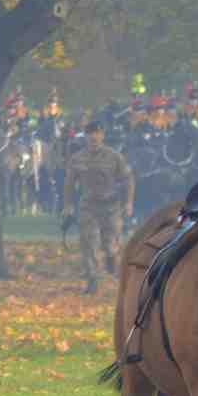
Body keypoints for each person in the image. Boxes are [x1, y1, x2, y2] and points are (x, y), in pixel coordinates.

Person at [64, 120, 133, 294]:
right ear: (86, 136)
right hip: (89, 207)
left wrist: (129, 202)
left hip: (111, 207)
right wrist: (68, 205)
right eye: (90, 133)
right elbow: (69, 184)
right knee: (89, 243)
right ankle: (92, 279)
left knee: (110, 246)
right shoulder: (77, 158)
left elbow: (128, 179)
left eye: (97, 133)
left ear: (102, 136)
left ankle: (111, 258)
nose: (94, 137)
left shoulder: (114, 156)